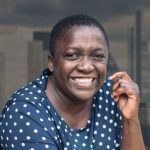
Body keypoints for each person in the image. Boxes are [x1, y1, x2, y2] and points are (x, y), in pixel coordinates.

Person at [0, 14, 145, 150]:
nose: (86, 66)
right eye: (72, 55)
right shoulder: (24, 112)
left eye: (98, 56)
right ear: (51, 62)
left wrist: (130, 120)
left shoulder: (113, 96)